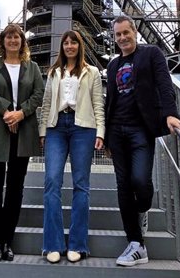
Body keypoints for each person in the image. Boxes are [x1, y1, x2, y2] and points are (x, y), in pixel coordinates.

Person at [104, 15, 180, 267]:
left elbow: (164, 83)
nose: (122, 38)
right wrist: (105, 136)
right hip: (116, 129)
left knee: (139, 179)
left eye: (126, 33)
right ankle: (136, 243)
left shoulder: (152, 54)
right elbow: (110, 101)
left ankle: (143, 208)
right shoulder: (113, 65)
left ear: (134, 31)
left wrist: (171, 113)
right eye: (117, 35)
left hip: (141, 128)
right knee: (122, 186)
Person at [0, 23, 44, 262]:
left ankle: (8, 241)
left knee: (15, 188)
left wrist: (20, 113)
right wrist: (7, 111)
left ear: (22, 42)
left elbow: (38, 93)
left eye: (17, 37)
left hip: (23, 130)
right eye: (9, 37)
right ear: (2, 41)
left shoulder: (32, 67)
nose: (13, 41)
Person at [39, 30, 104, 264]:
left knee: (81, 185)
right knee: (52, 182)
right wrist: (43, 131)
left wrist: (101, 132)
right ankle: (53, 244)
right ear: (62, 47)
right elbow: (47, 103)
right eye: (65, 43)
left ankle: (78, 244)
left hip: (83, 127)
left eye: (73, 42)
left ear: (79, 45)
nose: (69, 46)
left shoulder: (92, 72)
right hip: (57, 126)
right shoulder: (54, 72)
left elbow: (98, 102)